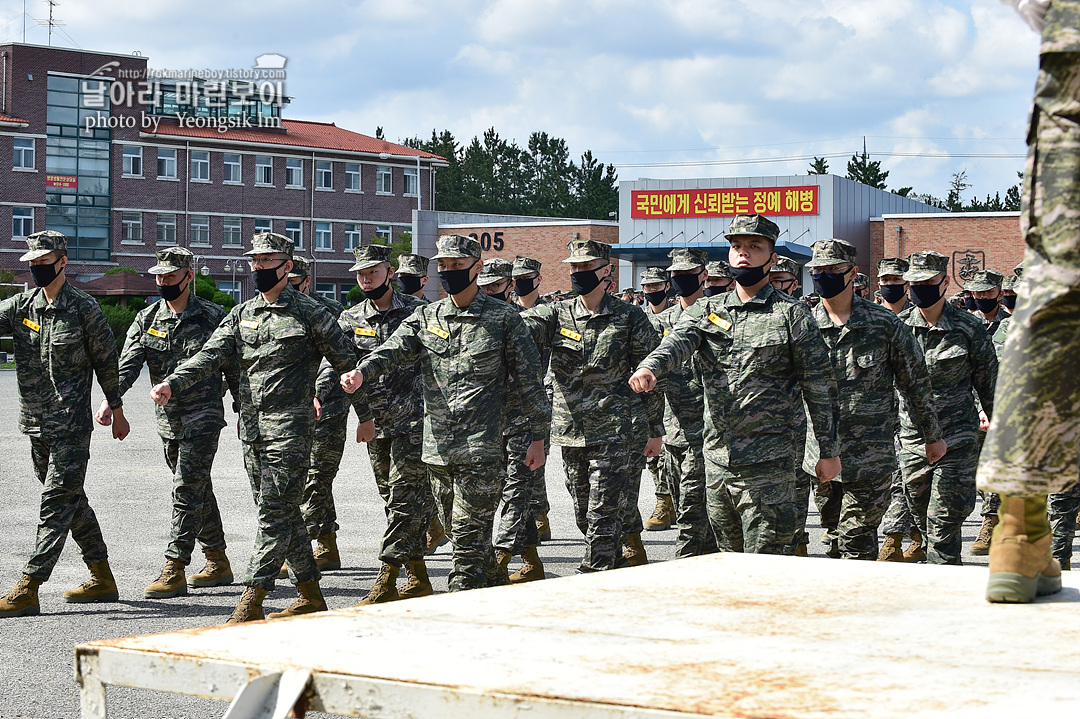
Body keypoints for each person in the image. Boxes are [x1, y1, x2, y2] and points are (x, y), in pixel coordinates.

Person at [150, 232, 372, 623]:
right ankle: (310, 595)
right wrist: (173, 382)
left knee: (273, 512)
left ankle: (252, 600)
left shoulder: (310, 312)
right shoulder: (241, 315)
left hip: (291, 429)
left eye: (267, 261)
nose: (258, 267)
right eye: (254, 261)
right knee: (282, 512)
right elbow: (210, 355)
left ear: (287, 266)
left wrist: (366, 416)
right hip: (252, 430)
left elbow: (346, 365)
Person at [341, 235, 549, 591]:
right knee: (459, 534)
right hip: (436, 450)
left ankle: (459, 614)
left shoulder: (503, 319)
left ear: (476, 267)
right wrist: (362, 371)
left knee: (466, 548)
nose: (449, 271)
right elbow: (394, 350)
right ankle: (497, 591)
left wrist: (538, 438)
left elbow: (530, 382)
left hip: (482, 450)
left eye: (457, 265)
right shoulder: (426, 316)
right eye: (444, 266)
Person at [630, 215, 842, 555]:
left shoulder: (791, 314)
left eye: (754, 247)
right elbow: (678, 342)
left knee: (768, 563)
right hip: (718, 461)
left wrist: (828, 452)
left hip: (771, 466)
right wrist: (650, 366)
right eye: (736, 246)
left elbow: (819, 387)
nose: (743, 253)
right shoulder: (707, 310)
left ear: (772, 259)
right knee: (728, 560)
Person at [0, 230, 129, 618]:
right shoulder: (21, 306)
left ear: (62, 262)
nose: (38, 269)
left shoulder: (84, 308)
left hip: (71, 425)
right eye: (33, 264)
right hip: (35, 423)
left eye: (44, 262)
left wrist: (116, 408)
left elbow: (107, 361)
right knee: (71, 501)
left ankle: (30, 585)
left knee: (55, 504)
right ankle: (102, 576)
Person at [104, 248, 239, 600]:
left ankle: (175, 566)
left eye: (170, 276)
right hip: (168, 422)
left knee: (185, 490)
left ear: (188, 276)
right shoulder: (147, 318)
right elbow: (128, 365)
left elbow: (234, 369)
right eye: (159, 277)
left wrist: (245, 409)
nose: (163, 282)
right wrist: (111, 401)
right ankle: (218, 560)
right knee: (196, 489)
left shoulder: (213, 318)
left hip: (204, 417)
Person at [521, 239, 664, 572]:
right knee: (585, 514)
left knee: (603, 515)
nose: (578, 273)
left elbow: (655, 376)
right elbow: (523, 328)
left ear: (606, 272)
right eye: (574, 267)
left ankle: (591, 579)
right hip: (571, 432)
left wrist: (655, 430)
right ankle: (612, 568)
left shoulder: (629, 317)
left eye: (586, 267)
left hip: (617, 432)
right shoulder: (556, 314)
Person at [802, 239, 945, 560]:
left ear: (852, 273)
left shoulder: (884, 324)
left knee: (857, 538)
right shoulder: (804, 324)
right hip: (820, 455)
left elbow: (915, 384)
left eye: (833, 270)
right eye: (817, 270)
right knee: (833, 535)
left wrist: (932, 437)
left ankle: (859, 604)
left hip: (871, 457)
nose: (824, 276)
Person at [336, 244, 434, 603]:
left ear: (389, 273)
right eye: (360, 274)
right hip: (375, 424)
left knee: (404, 499)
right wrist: (325, 398)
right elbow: (337, 366)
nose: (365, 279)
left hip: (416, 422)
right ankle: (419, 576)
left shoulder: (419, 313)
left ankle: (387, 578)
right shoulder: (350, 319)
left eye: (372, 272)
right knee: (393, 500)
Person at [897, 251, 997, 566]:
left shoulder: (969, 328)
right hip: (913, 440)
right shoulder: (896, 328)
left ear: (945, 282)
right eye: (914, 283)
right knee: (922, 521)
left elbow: (989, 385)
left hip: (957, 438)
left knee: (944, 523)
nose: (920, 288)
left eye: (928, 282)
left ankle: (947, 582)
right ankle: (935, 586)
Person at [477, 258, 547, 583]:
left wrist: (540, 432)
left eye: (495, 285)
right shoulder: (476, 324)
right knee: (512, 490)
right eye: (484, 286)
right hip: (492, 423)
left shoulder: (526, 324)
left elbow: (534, 379)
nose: (489, 291)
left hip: (523, 420)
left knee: (517, 489)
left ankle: (497, 564)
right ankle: (531, 562)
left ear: (509, 286)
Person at [281, 256, 351, 575]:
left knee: (318, 474)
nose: (287, 290)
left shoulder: (331, 312)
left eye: (293, 284)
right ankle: (326, 543)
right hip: (292, 409)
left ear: (306, 282)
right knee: (302, 474)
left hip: (329, 404)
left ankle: (300, 549)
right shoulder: (278, 312)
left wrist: (318, 392)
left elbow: (335, 361)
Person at [655, 247, 716, 558]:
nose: (680, 280)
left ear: (703, 276)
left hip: (708, 431)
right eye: (675, 275)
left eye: (687, 274)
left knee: (692, 512)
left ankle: (686, 564)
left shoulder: (717, 316)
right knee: (685, 505)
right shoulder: (660, 321)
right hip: (673, 430)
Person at [874, 257, 925, 563]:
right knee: (893, 480)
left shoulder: (918, 320)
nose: (891, 286)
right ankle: (915, 536)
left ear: (908, 284)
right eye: (886, 281)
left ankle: (894, 540)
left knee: (906, 480)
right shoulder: (870, 319)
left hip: (910, 416)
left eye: (897, 281)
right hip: (877, 415)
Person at [964, 269, 1011, 555]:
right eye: (977, 292)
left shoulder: (1013, 326)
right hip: (971, 412)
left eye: (987, 292)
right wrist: (979, 408)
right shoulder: (966, 326)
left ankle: (990, 523)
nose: (982, 297)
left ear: (999, 291)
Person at [512, 255, 553, 544]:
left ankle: (540, 515)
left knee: (536, 460)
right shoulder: (506, 311)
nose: (521, 283)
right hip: (509, 399)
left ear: (538, 279)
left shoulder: (550, 314)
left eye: (527, 278)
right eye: (517, 278)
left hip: (539, 394)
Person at [639, 266, 677, 532]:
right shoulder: (637, 317)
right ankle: (664, 499)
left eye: (656, 286)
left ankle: (669, 500)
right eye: (647, 287)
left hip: (676, 392)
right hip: (647, 394)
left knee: (673, 452)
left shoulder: (678, 318)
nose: (651, 291)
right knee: (652, 453)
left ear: (666, 286)